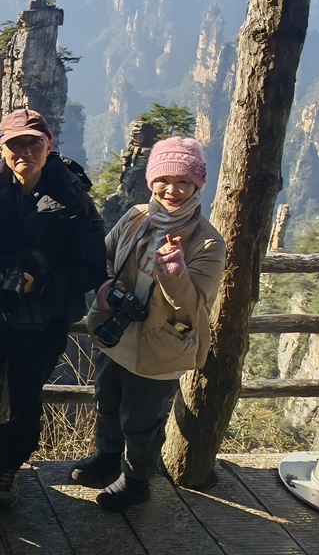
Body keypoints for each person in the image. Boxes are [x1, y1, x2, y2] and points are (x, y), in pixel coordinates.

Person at [0, 108, 107, 509]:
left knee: (24, 402)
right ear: (1, 148)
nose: (25, 150)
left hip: (42, 321)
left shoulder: (72, 197)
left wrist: (41, 281)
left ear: (49, 146)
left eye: (34, 142)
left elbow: (92, 267)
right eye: (16, 143)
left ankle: (8, 467)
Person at [73, 136, 225, 512]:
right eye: (163, 180)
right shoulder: (136, 217)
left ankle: (136, 480)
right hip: (117, 334)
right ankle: (107, 459)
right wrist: (106, 289)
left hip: (160, 346)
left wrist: (174, 272)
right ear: (151, 180)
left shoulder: (207, 243)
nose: (171, 190)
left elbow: (196, 303)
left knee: (142, 421)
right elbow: (106, 258)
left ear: (197, 185)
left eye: (183, 182)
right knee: (107, 403)